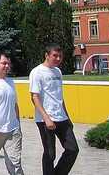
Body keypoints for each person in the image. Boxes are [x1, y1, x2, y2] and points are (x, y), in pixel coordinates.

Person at [30, 45, 78, 175]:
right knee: (50, 154)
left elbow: (60, 97)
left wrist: (67, 117)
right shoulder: (37, 72)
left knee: (73, 149)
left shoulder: (58, 72)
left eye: (60, 56)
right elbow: (34, 97)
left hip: (62, 117)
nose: (58, 58)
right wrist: (46, 118)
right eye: (55, 56)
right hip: (45, 119)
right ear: (47, 55)